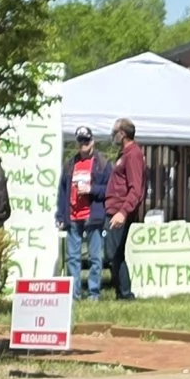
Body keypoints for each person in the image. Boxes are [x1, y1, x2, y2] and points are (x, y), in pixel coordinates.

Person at [58, 125, 110, 299]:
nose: (83, 145)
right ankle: (74, 294)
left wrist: (91, 189)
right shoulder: (70, 164)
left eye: (86, 141)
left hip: (92, 216)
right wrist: (60, 215)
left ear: (92, 142)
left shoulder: (102, 163)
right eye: (80, 141)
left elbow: (109, 190)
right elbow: (62, 191)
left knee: (95, 257)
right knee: (73, 258)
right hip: (73, 216)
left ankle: (93, 293)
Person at [104, 117, 146, 301]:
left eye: (114, 132)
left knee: (114, 253)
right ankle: (121, 293)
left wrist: (123, 211)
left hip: (120, 211)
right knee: (114, 252)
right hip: (113, 209)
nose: (112, 135)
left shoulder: (133, 154)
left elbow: (136, 188)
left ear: (122, 134)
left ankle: (126, 294)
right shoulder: (123, 154)